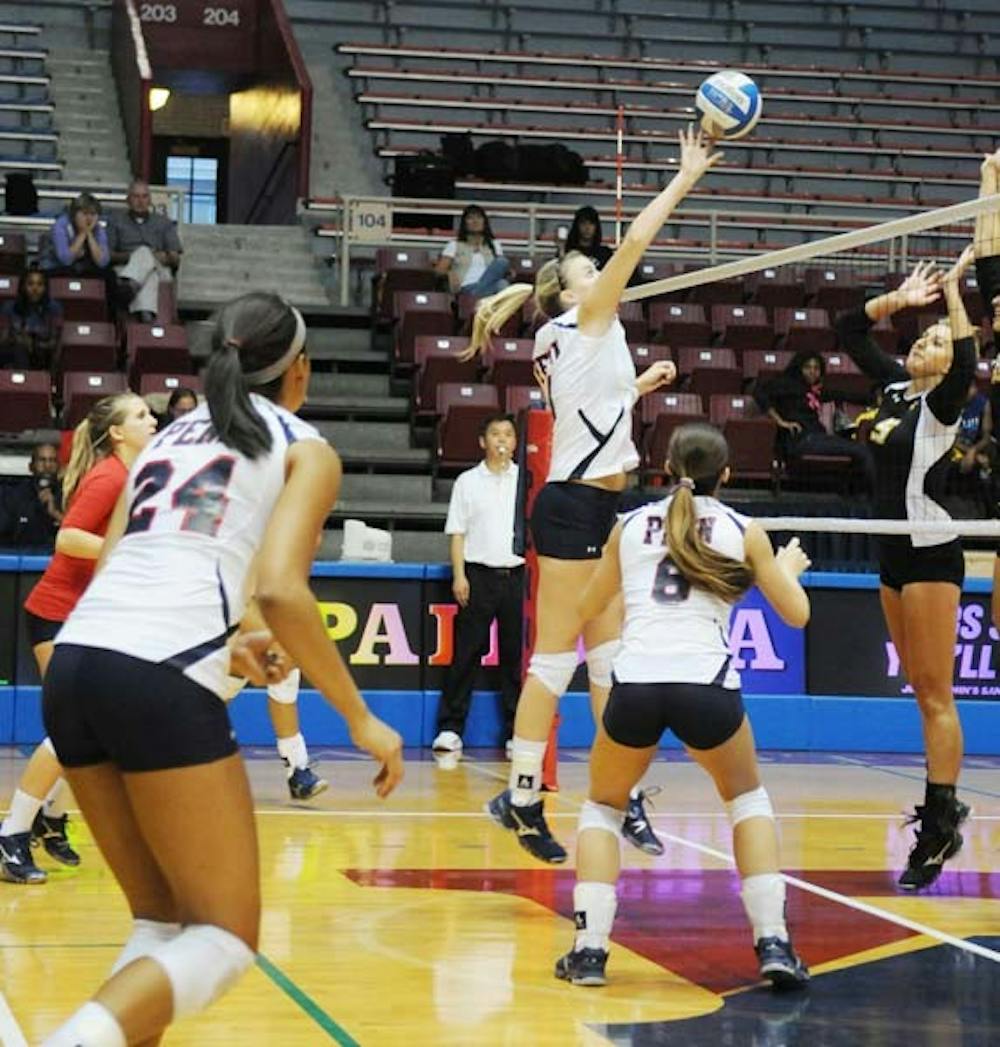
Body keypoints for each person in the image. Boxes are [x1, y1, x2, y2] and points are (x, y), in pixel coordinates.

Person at [39, 292, 403, 1046]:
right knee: (226, 937)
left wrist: (229, 637)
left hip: (77, 663)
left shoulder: (169, 436)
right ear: (300, 368)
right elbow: (280, 587)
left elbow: (117, 561)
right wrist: (361, 717)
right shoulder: (306, 445)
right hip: (157, 673)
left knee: (161, 923)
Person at [466, 126, 721, 864]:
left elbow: (589, 413)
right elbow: (637, 243)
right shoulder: (584, 317)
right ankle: (518, 797)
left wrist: (637, 386)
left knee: (613, 663)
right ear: (571, 289)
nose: (601, 270)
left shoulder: (572, 333)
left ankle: (621, 794)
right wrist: (685, 177)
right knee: (556, 662)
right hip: (575, 507)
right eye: (590, 267)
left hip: (600, 503)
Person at [554, 424, 811, 989]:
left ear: (665, 467)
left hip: (637, 682)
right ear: (728, 473)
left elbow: (586, 605)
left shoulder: (628, 527)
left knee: (602, 807)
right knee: (746, 799)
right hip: (707, 685)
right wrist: (784, 571)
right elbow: (797, 614)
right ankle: (773, 943)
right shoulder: (747, 530)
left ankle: (589, 951)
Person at [836, 248, 978, 891]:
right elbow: (847, 331)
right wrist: (894, 302)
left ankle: (941, 819)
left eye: (938, 338)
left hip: (930, 554)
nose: (926, 340)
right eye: (923, 335)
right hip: (890, 553)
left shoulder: (942, 408)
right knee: (918, 692)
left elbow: (970, 363)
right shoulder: (894, 389)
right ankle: (944, 811)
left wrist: (953, 294)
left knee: (933, 690)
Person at [0, 395, 157, 885]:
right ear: (117, 433)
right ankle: (13, 833)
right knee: (75, 731)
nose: (153, 419)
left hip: (90, 617)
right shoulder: (109, 476)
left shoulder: (134, 475)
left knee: (88, 732)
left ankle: (45, 816)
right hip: (59, 615)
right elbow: (68, 538)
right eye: (142, 416)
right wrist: (130, 550)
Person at [432, 413, 523, 757]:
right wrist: (459, 575)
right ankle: (450, 729)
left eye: (508, 434)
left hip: (517, 577)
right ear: (482, 441)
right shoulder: (467, 482)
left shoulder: (526, 481)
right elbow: (458, 532)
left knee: (515, 659)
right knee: (465, 655)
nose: (502, 440)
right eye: (495, 434)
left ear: (516, 442)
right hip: (478, 576)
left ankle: (517, 732)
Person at [753, 350, 875, 491]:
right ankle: (876, 500)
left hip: (818, 438)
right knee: (861, 451)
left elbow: (843, 395)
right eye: (807, 367)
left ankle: (857, 497)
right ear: (799, 368)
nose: (812, 372)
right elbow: (759, 393)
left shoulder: (813, 390)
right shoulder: (785, 384)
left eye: (816, 368)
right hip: (800, 440)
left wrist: (874, 399)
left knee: (861, 451)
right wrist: (780, 421)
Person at [107, 179, 182, 323]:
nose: (140, 201)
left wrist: (151, 257)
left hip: (159, 269)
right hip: (125, 269)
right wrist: (135, 256)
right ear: (128, 200)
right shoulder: (115, 221)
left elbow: (175, 258)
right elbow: (108, 255)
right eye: (136, 196)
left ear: (150, 200)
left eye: (144, 196)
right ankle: (146, 316)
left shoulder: (163, 222)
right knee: (148, 268)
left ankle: (131, 287)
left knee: (146, 255)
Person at [435, 204, 510, 298]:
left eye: (479, 217)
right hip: (466, 289)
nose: (475, 221)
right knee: (502, 263)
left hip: (489, 289)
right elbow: (439, 270)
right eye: (470, 218)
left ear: (484, 222)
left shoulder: (494, 245)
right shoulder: (454, 245)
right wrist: (450, 273)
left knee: (502, 282)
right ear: (464, 223)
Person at [0, 442, 63, 551]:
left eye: (52, 460)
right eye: (42, 460)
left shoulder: (68, 495)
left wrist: (55, 514)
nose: (47, 466)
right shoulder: (13, 496)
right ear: (31, 466)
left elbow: (80, 534)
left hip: (58, 561)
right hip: (19, 562)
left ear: (59, 467)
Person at [0, 266, 63, 371]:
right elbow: (2, 339)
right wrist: (19, 339)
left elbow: (55, 342)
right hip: (13, 352)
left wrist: (33, 344)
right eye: (30, 284)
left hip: (42, 354)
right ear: (23, 286)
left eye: (40, 284)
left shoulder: (54, 308)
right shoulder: (9, 307)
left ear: (45, 287)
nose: (35, 289)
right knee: (19, 349)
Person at [39, 192, 110, 279]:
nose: (89, 218)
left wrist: (89, 234)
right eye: (85, 214)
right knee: (68, 273)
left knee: (109, 275)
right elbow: (66, 260)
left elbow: (102, 262)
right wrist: (83, 233)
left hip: (80, 268)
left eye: (93, 214)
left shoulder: (98, 229)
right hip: (53, 267)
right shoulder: (61, 225)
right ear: (74, 214)